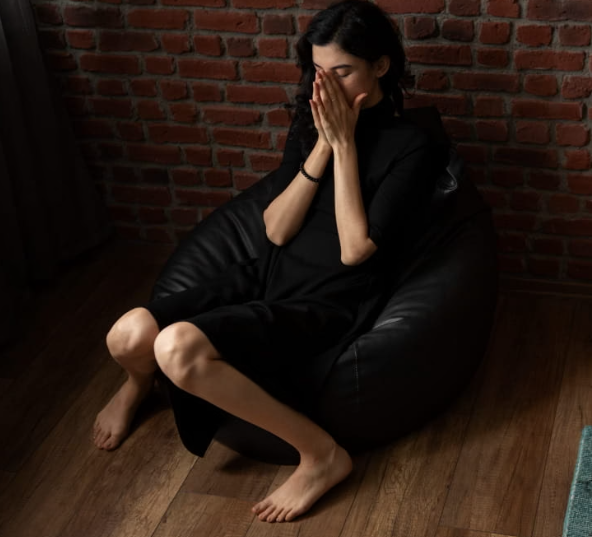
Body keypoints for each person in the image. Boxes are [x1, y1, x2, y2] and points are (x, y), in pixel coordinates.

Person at [91, 0, 439, 524]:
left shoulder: (411, 145)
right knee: (128, 334)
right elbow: (275, 229)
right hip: (270, 275)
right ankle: (140, 382)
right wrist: (323, 145)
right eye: (319, 72)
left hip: (329, 300)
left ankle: (321, 454)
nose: (327, 88)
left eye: (343, 72)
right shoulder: (309, 122)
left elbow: (354, 250)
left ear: (380, 66)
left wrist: (345, 145)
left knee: (175, 346)